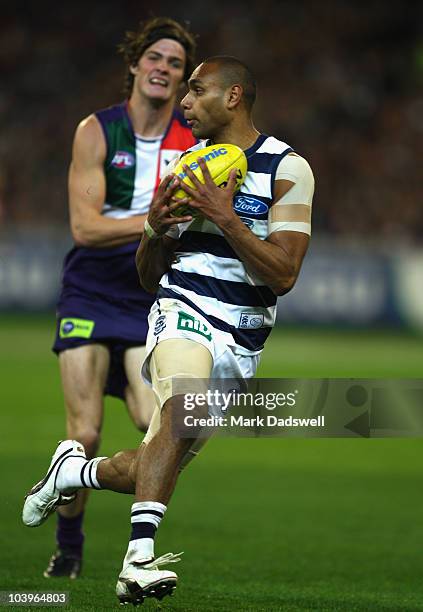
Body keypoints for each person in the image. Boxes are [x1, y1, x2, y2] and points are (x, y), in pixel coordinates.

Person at [23, 56, 314, 604]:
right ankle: (137, 562)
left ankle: (71, 474)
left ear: (233, 97)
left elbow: (285, 273)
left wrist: (224, 217)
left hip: (243, 336)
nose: (183, 102)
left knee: (150, 464)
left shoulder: (287, 168)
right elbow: (148, 273)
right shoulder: (186, 164)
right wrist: (155, 227)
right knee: (181, 408)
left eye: (196, 90)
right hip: (182, 309)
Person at [45, 17, 197, 579]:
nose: (163, 68)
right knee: (83, 432)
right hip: (89, 292)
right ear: (134, 65)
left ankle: (80, 487)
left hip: (145, 297)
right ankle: (69, 551)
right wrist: (156, 220)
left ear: (183, 80)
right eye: (154, 57)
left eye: (175, 63)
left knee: (154, 426)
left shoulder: (193, 143)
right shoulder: (96, 131)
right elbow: (85, 228)